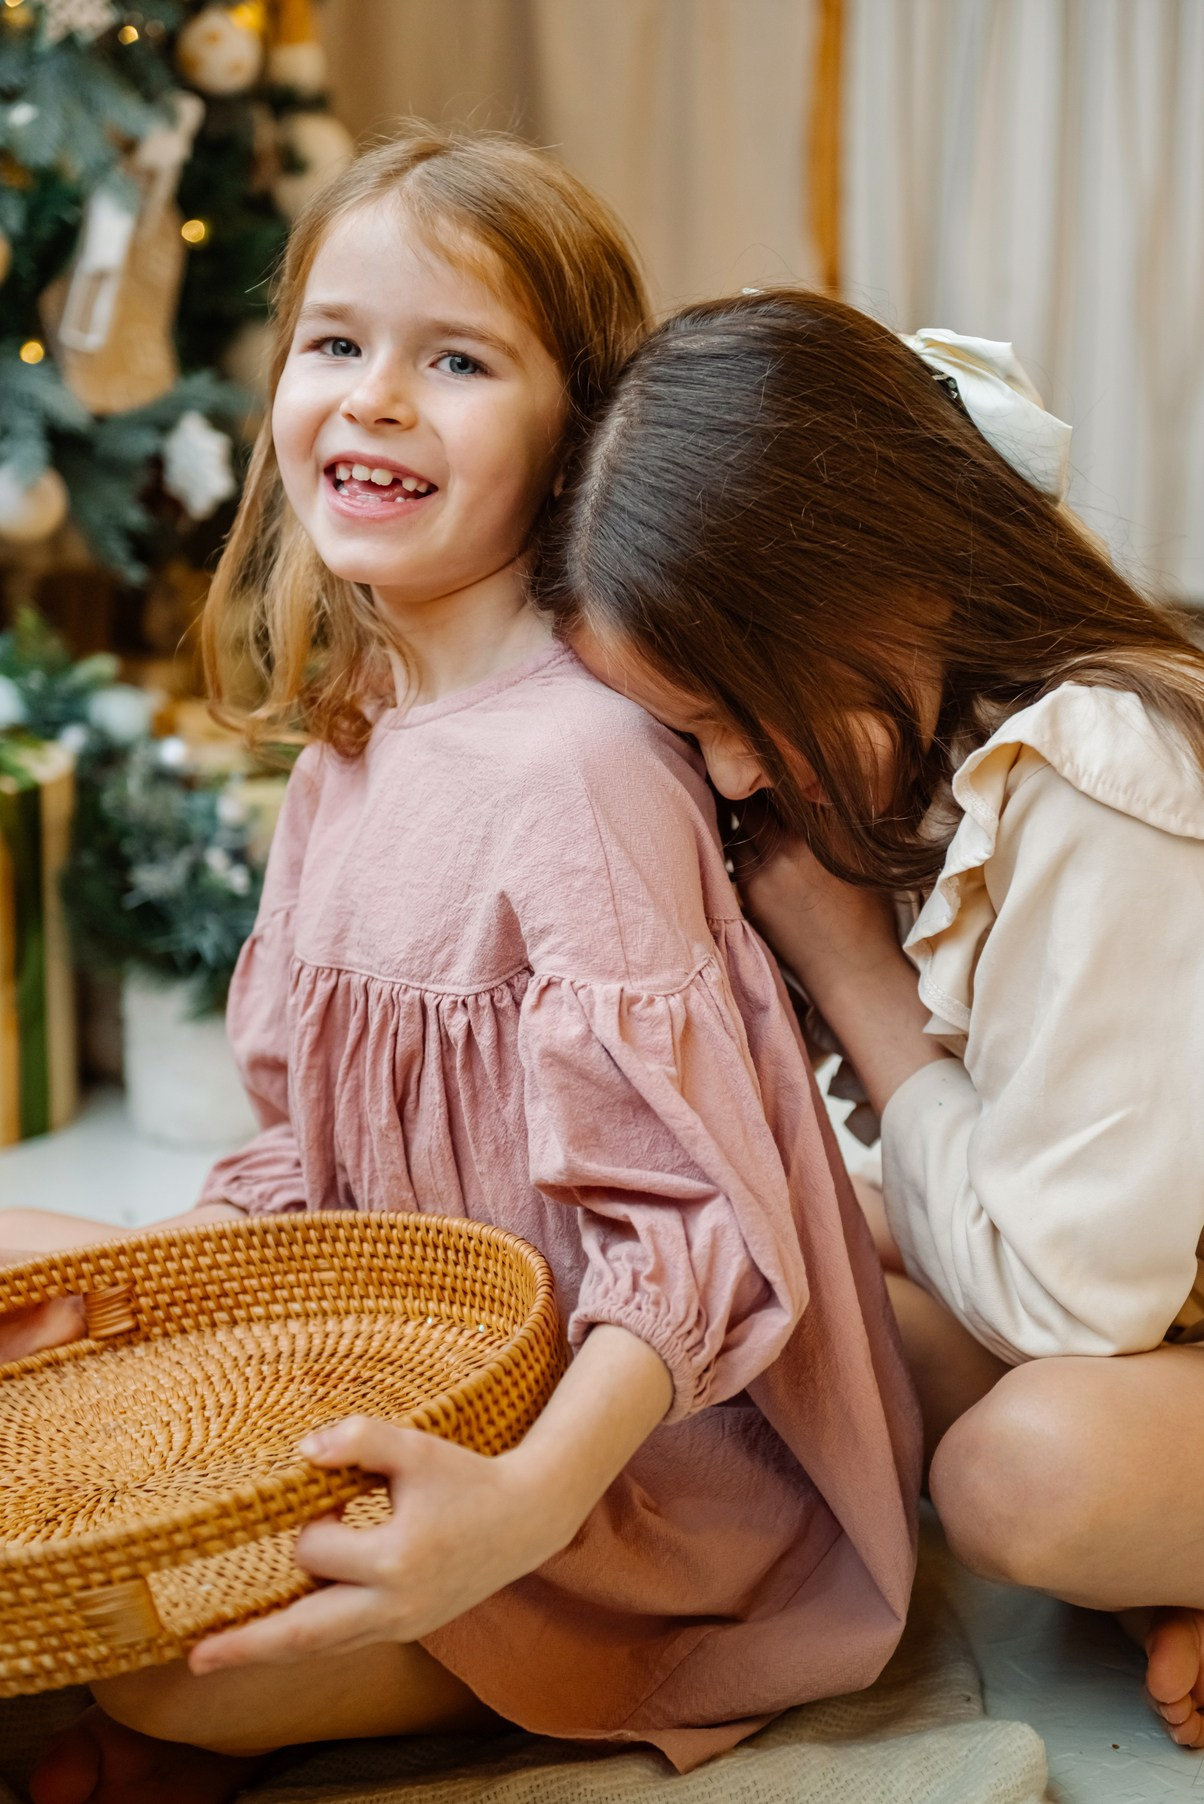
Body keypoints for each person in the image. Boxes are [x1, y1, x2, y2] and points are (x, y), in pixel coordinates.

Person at [21, 140, 919, 1804]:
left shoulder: (581, 768)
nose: (374, 401)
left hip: (620, 1481)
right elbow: (307, 1159)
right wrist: (158, 1310)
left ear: (571, 437)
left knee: (166, 1674)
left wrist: (516, 1514)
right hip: (407, 1377)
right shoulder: (344, 755)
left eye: (457, 359)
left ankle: (351, 1692)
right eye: (337, 344)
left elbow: (692, 1239)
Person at [541, 286, 1204, 1753]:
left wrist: (852, 975)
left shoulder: (1096, 771)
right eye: (685, 735)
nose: (724, 781)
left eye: (733, 712)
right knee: (804, 1324)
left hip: (1115, 1311)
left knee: (1024, 1481)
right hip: (1148, 1296)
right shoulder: (931, 755)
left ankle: (1157, 1542)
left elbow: (1062, 1300)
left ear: (880, 580)